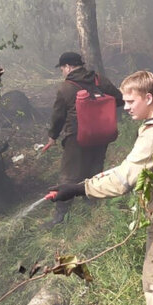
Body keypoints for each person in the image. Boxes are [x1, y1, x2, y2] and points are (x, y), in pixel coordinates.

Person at [47, 71, 153, 305]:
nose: (124, 106)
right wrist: (89, 182)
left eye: (130, 101)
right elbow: (132, 167)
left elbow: (123, 181)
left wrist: (78, 188)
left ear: (148, 98)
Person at [46, 51, 123, 226]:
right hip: (102, 134)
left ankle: (60, 217)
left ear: (67, 67)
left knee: (69, 176)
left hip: (77, 138)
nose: (63, 72)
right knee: (95, 170)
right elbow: (118, 99)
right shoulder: (99, 80)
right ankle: (92, 208)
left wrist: (52, 136)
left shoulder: (66, 87)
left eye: (62, 69)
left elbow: (58, 116)